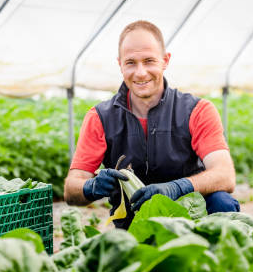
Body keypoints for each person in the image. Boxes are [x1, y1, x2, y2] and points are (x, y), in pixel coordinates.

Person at [64, 20, 239, 229]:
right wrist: (90, 187)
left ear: (165, 61)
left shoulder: (197, 111)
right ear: (120, 64)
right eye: (131, 62)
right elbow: (71, 190)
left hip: (192, 218)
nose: (140, 72)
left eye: (149, 61)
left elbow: (225, 175)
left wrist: (176, 188)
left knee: (222, 202)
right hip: (135, 223)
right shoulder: (100, 117)